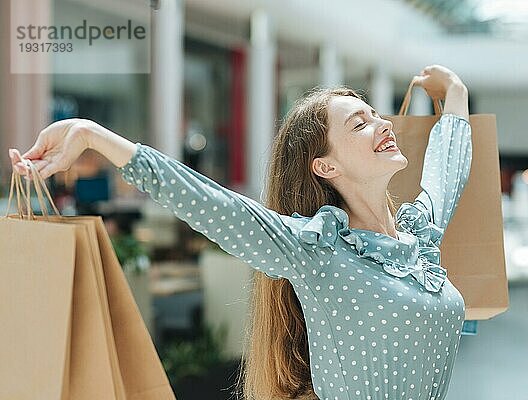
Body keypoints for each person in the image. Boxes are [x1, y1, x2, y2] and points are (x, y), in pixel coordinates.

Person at [9, 64, 472, 400]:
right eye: (360, 122)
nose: (382, 123)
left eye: (374, 114)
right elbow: (217, 207)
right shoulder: (317, 250)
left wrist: (454, 92)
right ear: (325, 166)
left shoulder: (419, 239)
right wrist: (93, 135)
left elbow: (446, 169)